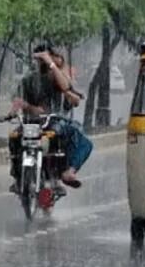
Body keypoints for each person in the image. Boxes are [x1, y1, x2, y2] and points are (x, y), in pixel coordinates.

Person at [9, 44, 93, 189]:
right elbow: (17, 101)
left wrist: (51, 64)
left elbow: (66, 88)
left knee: (83, 141)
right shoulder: (28, 80)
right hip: (31, 125)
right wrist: (20, 109)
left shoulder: (57, 77)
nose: (41, 62)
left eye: (44, 58)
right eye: (39, 59)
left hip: (55, 123)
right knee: (14, 137)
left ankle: (69, 171)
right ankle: (18, 175)